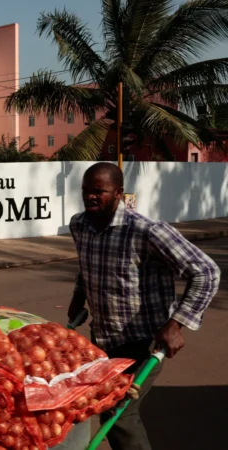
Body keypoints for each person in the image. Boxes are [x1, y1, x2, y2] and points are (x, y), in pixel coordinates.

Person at [67, 162, 220, 450]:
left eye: (99, 191)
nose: (90, 197)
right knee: (105, 406)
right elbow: (87, 265)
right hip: (103, 339)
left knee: (119, 411)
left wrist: (176, 324)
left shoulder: (147, 231)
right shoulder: (79, 225)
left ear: (118, 193)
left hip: (144, 341)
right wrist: (78, 297)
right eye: (86, 190)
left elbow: (206, 271)